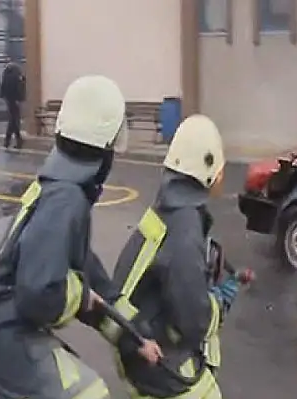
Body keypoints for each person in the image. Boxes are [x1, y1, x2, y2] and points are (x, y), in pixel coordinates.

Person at [0, 75, 162, 399]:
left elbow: (86, 270)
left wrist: (134, 334)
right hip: (9, 339)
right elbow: (38, 295)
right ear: (105, 150)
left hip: (4, 331)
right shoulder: (67, 199)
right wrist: (80, 293)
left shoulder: (60, 187)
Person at [101, 115, 239, 398]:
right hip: (154, 360)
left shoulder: (167, 209)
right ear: (210, 168)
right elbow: (194, 321)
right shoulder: (186, 228)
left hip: (134, 343)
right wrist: (219, 302)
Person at [0, 62, 25, 149]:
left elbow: (3, 86)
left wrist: (3, 96)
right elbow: (20, 87)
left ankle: (9, 140)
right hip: (15, 100)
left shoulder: (6, 74)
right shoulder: (17, 74)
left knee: (12, 120)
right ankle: (16, 140)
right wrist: (20, 98)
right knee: (14, 120)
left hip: (9, 99)